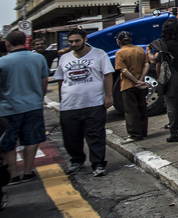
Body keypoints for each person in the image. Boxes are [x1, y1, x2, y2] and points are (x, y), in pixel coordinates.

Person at [54, 29, 114, 177]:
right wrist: (61, 99)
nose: (74, 44)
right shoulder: (64, 58)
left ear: (85, 39)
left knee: (96, 136)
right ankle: (77, 160)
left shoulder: (99, 54)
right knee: (70, 137)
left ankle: (98, 164)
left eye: (77, 41)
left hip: (94, 103)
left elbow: (107, 75)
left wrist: (109, 96)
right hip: (69, 105)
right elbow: (61, 80)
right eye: (71, 42)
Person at [0, 31, 49, 184]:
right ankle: (28, 172)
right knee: (32, 139)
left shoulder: (2, 62)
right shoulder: (38, 58)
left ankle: (14, 174)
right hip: (33, 105)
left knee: (8, 141)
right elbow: (44, 80)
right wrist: (40, 98)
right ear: (26, 41)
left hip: (7, 108)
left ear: (8, 44)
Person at [148, 14, 178, 142]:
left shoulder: (163, 45)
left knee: (172, 108)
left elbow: (153, 61)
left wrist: (149, 51)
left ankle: (174, 133)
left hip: (170, 79)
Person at [114, 31, 149, 142]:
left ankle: (135, 134)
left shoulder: (120, 53)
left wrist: (135, 81)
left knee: (131, 111)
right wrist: (140, 80)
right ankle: (143, 131)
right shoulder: (139, 49)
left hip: (128, 85)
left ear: (118, 41)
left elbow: (124, 70)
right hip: (141, 84)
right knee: (142, 108)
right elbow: (146, 64)